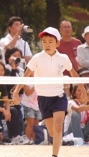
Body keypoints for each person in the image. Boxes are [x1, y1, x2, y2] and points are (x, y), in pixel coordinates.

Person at [12, 27, 83, 157]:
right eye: (44, 41)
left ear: (57, 43)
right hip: (43, 98)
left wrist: (82, 89)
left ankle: (54, 155)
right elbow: (25, 76)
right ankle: (58, 140)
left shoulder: (63, 58)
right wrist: (16, 91)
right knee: (52, 132)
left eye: (50, 41)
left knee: (57, 128)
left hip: (59, 97)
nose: (47, 44)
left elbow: (73, 73)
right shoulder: (37, 58)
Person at [22, 71, 42, 143]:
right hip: (28, 105)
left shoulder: (40, 80)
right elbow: (27, 93)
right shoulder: (26, 81)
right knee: (30, 124)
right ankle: (27, 140)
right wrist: (36, 85)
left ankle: (34, 141)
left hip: (38, 105)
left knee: (36, 125)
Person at [0, 61, 11, 144]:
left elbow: (6, 101)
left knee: (14, 111)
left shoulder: (2, 84)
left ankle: (16, 136)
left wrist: (8, 111)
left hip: (1, 110)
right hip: (1, 110)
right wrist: (4, 110)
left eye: (2, 70)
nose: (1, 72)